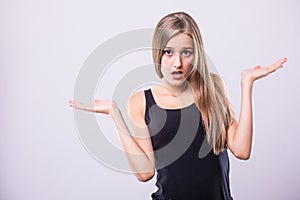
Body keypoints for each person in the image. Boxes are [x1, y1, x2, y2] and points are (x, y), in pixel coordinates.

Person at [69, 12, 287, 200]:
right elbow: (144, 173)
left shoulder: (213, 88)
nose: (177, 63)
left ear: (197, 53)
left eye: (186, 52)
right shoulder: (141, 102)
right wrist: (114, 115)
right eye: (168, 52)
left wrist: (246, 84)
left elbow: (241, 150)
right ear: (158, 53)